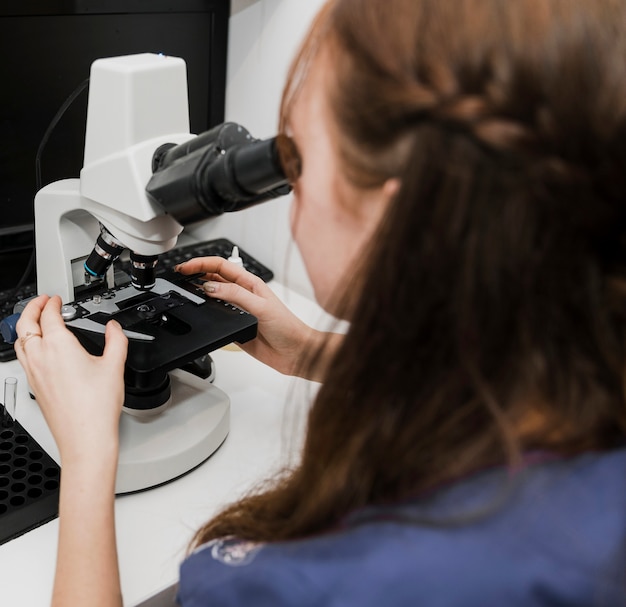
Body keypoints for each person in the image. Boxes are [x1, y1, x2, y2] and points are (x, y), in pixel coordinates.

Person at [13, 0, 626, 604]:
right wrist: (316, 354)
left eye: (298, 164)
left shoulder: (318, 584)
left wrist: (88, 459)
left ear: (398, 217)